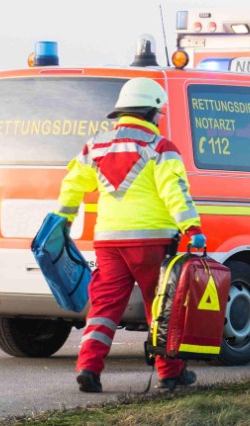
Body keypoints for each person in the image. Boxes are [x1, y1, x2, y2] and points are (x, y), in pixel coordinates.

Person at [55, 77, 205, 393]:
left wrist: (64, 219)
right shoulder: (160, 148)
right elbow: (175, 191)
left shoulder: (95, 145)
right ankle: (169, 373)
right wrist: (192, 228)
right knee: (162, 306)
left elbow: (72, 184)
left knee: (104, 306)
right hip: (152, 240)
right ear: (151, 112)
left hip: (108, 240)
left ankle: (88, 367)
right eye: (159, 113)